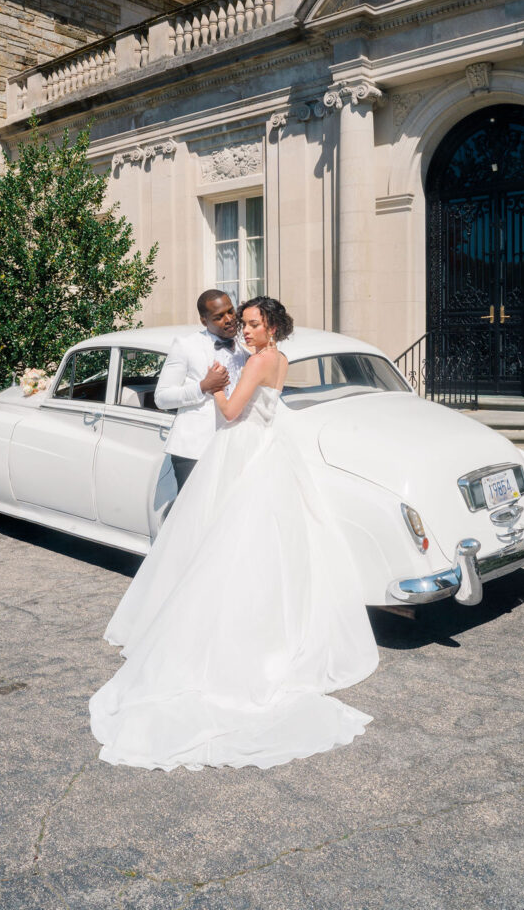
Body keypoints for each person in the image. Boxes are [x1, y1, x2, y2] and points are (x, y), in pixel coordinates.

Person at [89, 297, 379, 771]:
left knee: (225, 541)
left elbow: (229, 412)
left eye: (250, 323)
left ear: (272, 327)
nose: (242, 330)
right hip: (261, 450)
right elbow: (226, 403)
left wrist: (216, 389)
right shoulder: (278, 357)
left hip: (240, 450)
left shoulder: (261, 359)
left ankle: (220, 631)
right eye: (239, 323)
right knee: (252, 544)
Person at [154, 289, 249, 491]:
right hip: (194, 449)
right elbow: (161, 398)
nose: (229, 319)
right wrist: (203, 387)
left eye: (230, 311)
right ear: (204, 321)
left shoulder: (245, 348)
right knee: (192, 516)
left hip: (234, 446)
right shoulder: (186, 346)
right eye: (219, 317)